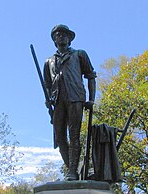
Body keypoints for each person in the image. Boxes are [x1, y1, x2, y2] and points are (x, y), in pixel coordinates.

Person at [44, 24, 96, 181]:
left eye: (64, 34)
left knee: (74, 135)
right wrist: (48, 99)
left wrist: (91, 99)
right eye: (58, 34)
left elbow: (90, 76)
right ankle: (72, 169)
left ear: (69, 38)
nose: (61, 36)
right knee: (59, 137)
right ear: (54, 39)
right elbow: (47, 84)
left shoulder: (79, 54)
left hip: (75, 98)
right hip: (58, 101)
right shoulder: (49, 61)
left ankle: (72, 172)